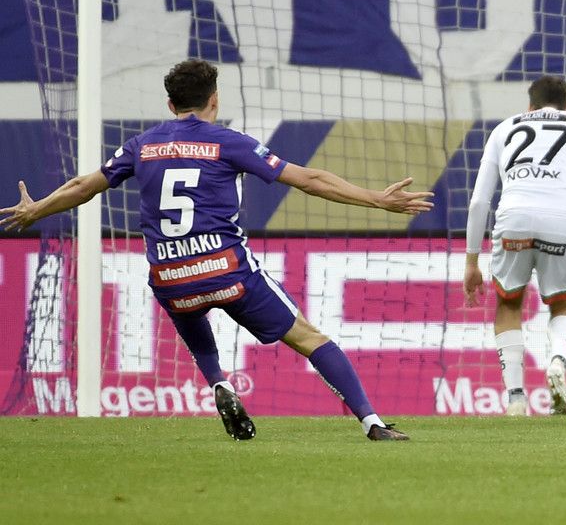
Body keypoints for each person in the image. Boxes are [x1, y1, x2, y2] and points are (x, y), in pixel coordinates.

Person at [0, 59, 434, 441]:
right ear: (214, 100)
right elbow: (309, 179)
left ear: (170, 104)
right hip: (227, 271)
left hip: (169, 277)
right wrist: (377, 199)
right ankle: (372, 422)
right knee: (310, 338)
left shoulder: (141, 145)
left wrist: (36, 209)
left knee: (186, 304)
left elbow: (84, 186)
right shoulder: (228, 141)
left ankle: (218, 383)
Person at [463, 76, 566, 416]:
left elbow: (479, 200)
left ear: (529, 106)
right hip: (562, 220)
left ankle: (516, 398)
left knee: (508, 302)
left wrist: (471, 262)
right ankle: (557, 360)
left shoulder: (504, 128)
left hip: (513, 219)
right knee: (565, 304)